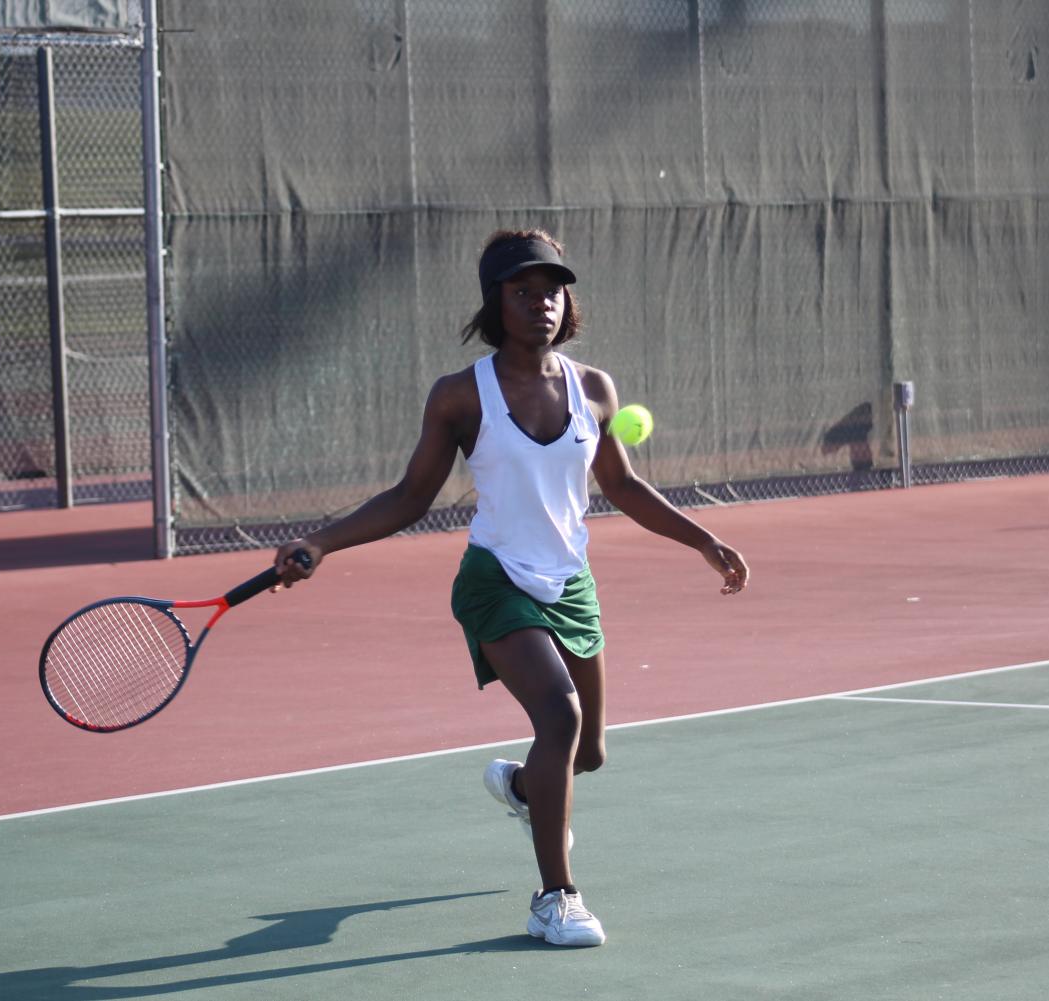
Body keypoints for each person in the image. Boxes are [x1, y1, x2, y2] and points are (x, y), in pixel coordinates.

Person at [272, 228, 749, 947]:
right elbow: (409, 497)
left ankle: (525, 788)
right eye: (523, 291)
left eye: (552, 289)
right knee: (557, 717)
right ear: (495, 302)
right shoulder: (461, 396)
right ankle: (555, 897)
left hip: (570, 581)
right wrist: (320, 543)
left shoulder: (593, 388)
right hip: (495, 580)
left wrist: (704, 540)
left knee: (586, 754)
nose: (542, 303)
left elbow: (620, 483)